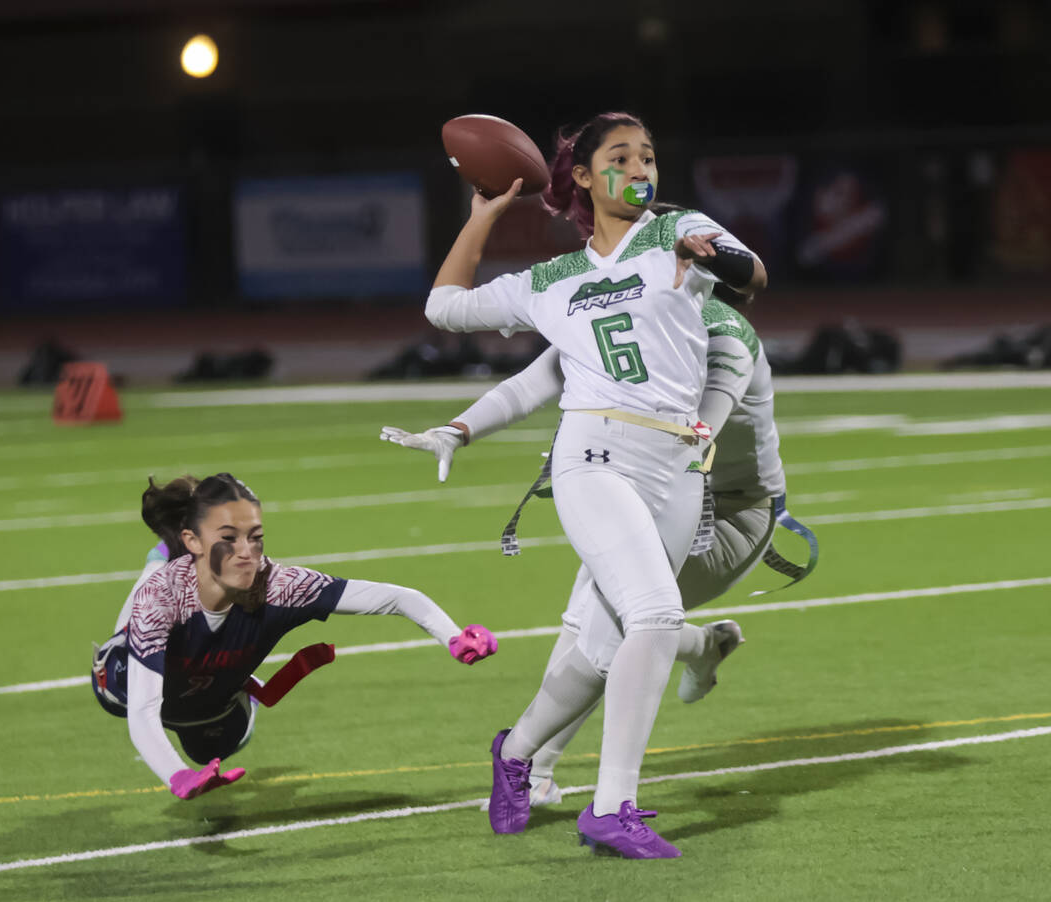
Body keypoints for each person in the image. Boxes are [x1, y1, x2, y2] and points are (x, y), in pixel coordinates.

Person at [423, 111, 766, 858]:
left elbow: (754, 274)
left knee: (607, 648)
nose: (641, 168)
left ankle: (514, 753)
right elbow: (444, 308)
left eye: (649, 155)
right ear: (580, 175)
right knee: (655, 613)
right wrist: (482, 217)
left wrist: (714, 252)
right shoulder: (554, 279)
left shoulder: (677, 231)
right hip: (595, 455)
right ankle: (612, 808)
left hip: (676, 468)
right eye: (622, 156)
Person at [384, 293, 819, 806]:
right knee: (598, 617)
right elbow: (535, 381)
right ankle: (699, 650)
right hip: (656, 485)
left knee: (604, 619)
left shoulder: (725, 336)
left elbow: (696, 437)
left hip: (728, 514)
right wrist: (457, 431)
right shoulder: (621, 305)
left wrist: (597, 448)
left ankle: (541, 771)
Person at [90, 472, 497, 799]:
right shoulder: (160, 596)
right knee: (117, 678)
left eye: (255, 537)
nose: (248, 552)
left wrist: (453, 637)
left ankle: (236, 693)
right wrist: (177, 776)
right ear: (193, 541)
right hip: (153, 683)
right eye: (228, 538)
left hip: (214, 701)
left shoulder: (282, 585)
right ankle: (165, 552)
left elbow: (397, 598)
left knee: (215, 749)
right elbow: (142, 711)